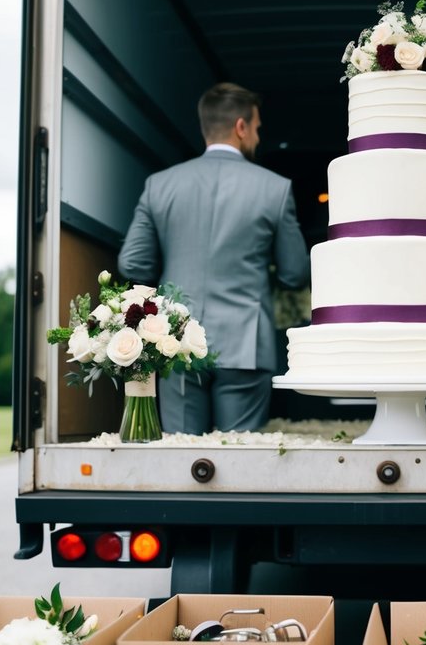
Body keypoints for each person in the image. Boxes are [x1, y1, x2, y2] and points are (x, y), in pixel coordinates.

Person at [119, 82, 310, 433]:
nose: (256, 136)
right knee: (239, 460)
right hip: (246, 344)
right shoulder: (275, 188)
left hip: (174, 338)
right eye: (256, 128)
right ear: (241, 127)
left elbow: (133, 264)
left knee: (181, 456)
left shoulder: (159, 185)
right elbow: (295, 272)